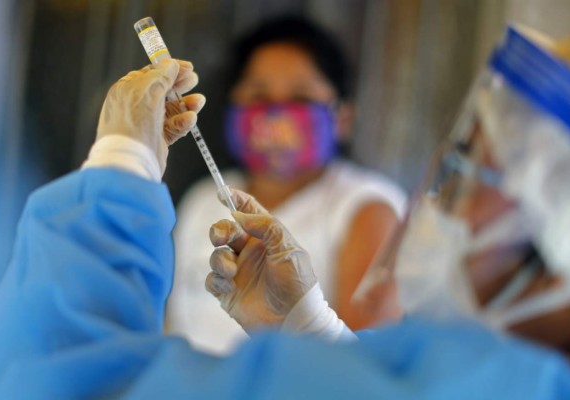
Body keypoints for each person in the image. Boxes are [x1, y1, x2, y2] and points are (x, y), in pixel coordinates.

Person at [0, 28, 570, 399]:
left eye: (472, 166)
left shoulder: (362, 205)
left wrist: (121, 158)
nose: (437, 190)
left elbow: (61, 377)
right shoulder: (514, 382)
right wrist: (310, 329)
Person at [208, 25, 570, 358]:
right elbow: (368, 384)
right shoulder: (466, 367)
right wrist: (305, 325)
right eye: (456, 167)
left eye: (468, 182)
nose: (436, 206)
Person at [166, 15, 406, 354]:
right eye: (258, 96)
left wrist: (302, 323)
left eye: (301, 98)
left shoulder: (367, 209)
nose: (276, 115)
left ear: (343, 117)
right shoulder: (203, 200)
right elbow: (171, 332)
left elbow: (366, 368)